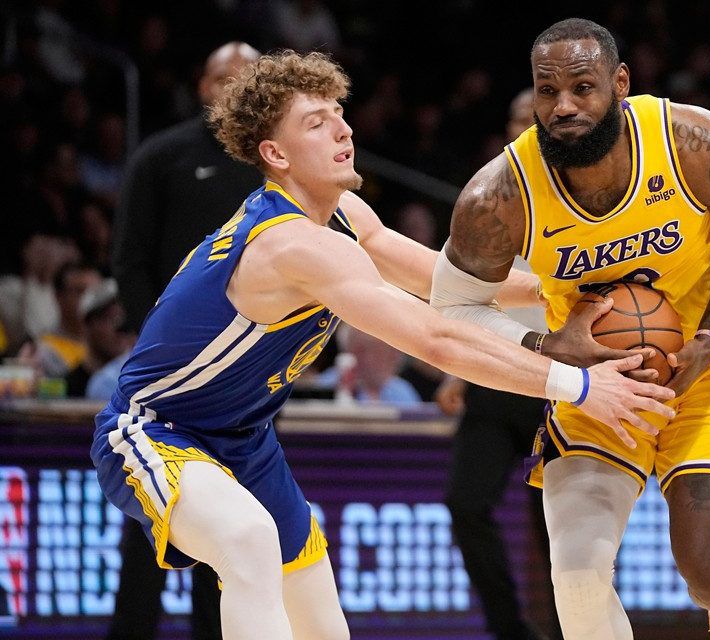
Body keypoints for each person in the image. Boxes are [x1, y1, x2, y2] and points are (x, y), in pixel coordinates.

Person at [90, 49, 675, 640]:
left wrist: (568, 287)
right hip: (155, 429)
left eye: (338, 113)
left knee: (322, 620)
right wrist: (576, 384)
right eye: (316, 123)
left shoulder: (341, 212)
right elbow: (436, 335)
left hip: (244, 439)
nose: (343, 128)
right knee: (248, 541)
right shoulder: (291, 244)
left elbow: (442, 282)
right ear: (275, 154)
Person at [433, 18, 710, 640]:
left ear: (619, 83)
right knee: (578, 572)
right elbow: (451, 306)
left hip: (707, 362)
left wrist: (708, 334)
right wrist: (543, 346)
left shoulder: (694, 142)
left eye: (582, 88)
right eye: (547, 91)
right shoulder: (498, 194)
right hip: (592, 378)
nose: (562, 107)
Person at [107, 40, 265, 640]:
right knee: (151, 519)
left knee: (232, 526)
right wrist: (156, 344)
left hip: (246, 373)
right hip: (169, 372)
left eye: (248, 77)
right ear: (202, 86)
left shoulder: (273, 167)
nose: (235, 87)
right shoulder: (162, 156)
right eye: (224, 77)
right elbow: (130, 259)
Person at [438, 87, 563, 640]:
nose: (526, 128)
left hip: (556, 380)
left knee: (561, 532)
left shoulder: (581, 192)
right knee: (466, 505)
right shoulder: (486, 196)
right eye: (517, 120)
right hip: (493, 371)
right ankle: (509, 630)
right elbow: (461, 293)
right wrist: (451, 370)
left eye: (533, 120)